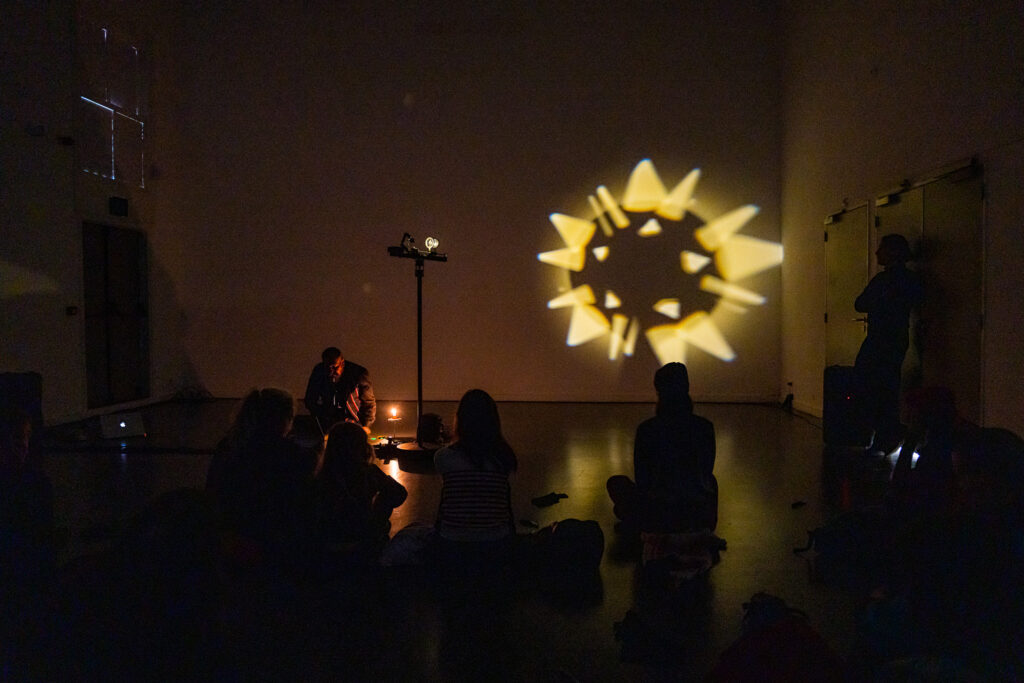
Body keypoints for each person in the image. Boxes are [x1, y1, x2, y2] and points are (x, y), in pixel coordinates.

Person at [607, 362, 717, 534]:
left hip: (658, 513)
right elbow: (706, 470)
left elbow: (643, 481)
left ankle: (642, 522)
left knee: (616, 483)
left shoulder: (647, 429)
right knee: (712, 481)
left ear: (659, 391)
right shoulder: (705, 427)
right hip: (697, 514)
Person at [853, 233, 923, 454]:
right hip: (897, 339)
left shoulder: (882, 281)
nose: (876, 253)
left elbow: (859, 304)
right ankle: (887, 435)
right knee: (888, 386)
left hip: (879, 339)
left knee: (870, 385)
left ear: (892, 252)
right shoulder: (910, 280)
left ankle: (881, 434)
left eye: (881, 248)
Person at [433, 389, 517, 569]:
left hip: (452, 544)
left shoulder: (443, 458)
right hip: (496, 544)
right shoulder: (504, 458)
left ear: (460, 420)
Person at [315, 422, 407, 567]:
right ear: (362, 447)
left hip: (328, 542)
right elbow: (399, 493)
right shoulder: (367, 471)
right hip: (362, 538)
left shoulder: (321, 475)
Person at [304, 347, 376, 435]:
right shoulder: (319, 371)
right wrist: (320, 418)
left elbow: (368, 402)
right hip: (327, 425)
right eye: (327, 367)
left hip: (353, 424)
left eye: (334, 367)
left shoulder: (358, 373)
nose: (331, 372)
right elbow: (310, 399)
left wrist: (366, 425)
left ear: (342, 363)